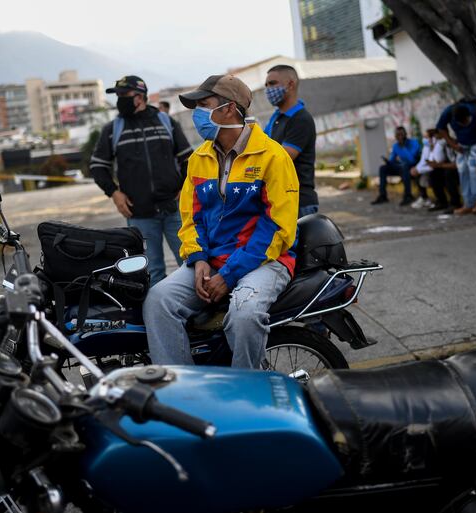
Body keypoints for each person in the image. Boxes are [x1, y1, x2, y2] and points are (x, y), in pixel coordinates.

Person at [143, 74, 299, 369]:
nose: (197, 114)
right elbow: (191, 217)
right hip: (212, 261)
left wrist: (229, 275)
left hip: (266, 262)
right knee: (158, 300)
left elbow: (278, 227)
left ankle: (247, 394)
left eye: (204, 104)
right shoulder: (198, 158)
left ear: (229, 109)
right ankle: (184, 390)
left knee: (244, 314)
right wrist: (198, 258)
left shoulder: (273, 158)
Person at [90, 75, 193, 285]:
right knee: (151, 272)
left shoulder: (166, 122)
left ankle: (198, 313)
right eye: (117, 96)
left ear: (140, 97)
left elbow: (188, 160)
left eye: (123, 95)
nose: (119, 100)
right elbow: (98, 166)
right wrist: (114, 192)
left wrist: (185, 187)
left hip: (174, 210)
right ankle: (159, 316)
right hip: (139, 214)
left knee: (189, 263)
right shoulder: (113, 129)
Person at [263, 64, 318, 217]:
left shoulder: (301, 119)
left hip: (299, 202)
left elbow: (282, 158)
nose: (268, 89)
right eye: (266, 85)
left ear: (291, 84)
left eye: (272, 83)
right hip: (280, 200)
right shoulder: (276, 117)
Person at [436, 101, 476, 215]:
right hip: (462, 145)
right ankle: (468, 203)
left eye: (466, 121)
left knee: (474, 169)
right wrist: (453, 144)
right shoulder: (448, 112)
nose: (464, 124)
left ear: (469, 116)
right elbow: (441, 129)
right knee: (462, 170)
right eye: (461, 123)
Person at [372, 126, 420, 205]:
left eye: (401, 134)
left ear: (405, 134)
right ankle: (383, 196)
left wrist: (403, 147)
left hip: (412, 167)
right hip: (401, 167)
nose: (400, 137)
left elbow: (412, 160)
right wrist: (388, 162)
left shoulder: (414, 143)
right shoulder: (395, 146)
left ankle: (408, 196)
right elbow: (392, 160)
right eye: (398, 135)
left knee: (405, 166)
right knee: (383, 168)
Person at [427, 137, 462, 213]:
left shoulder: (458, 145)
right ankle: (441, 201)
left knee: (449, 174)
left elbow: (457, 164)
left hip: (462, 169)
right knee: (434, 173)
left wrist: (439, 165)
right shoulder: (444, 145)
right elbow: (439, 160)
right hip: (451, 167)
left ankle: (455, 203)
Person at [409, 129, 437, 209]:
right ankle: (424, 197)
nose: (424, 139)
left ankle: (437, 200)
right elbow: (422, 161)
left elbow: (433, 165)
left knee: (431, 175)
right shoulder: (426, 147)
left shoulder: (436, 147)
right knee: (416, 173)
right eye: (424, 137)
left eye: (426, 137)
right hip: (427, 168)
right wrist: (416, 169)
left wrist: (419, 170)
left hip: (435, 169)